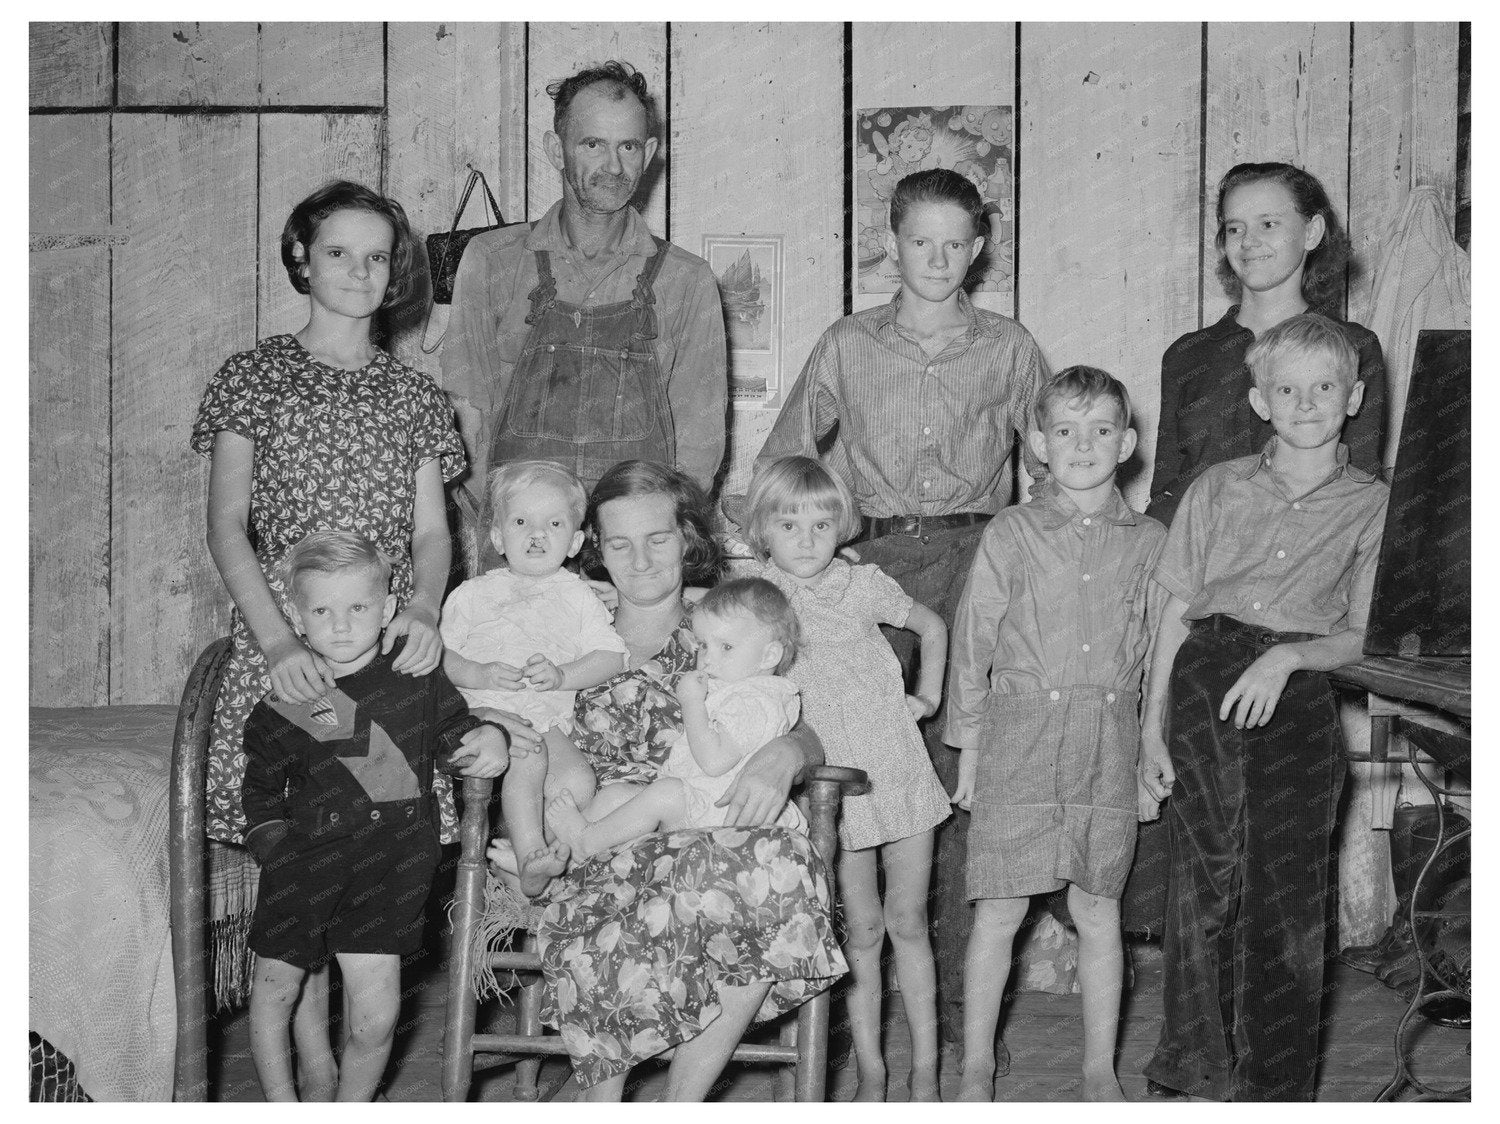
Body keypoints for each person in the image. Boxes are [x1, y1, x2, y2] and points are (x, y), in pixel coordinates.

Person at [748, 167, 1045, 1045]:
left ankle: (951, 1002)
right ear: (893, 244)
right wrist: (798, 560)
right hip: (869, 564)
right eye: (923, 241)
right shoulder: (847, 343)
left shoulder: (1010, 346)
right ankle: (841, 1000)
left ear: (980, 248)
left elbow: (1050, 464)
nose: (940, 258)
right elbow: (783, 459)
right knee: (853, 767)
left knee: (956, 765)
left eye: (958, 242)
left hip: (975, 558)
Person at [481, 460, 845, 1101]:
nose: (641, 559)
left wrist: (787, 750)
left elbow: (798, 712)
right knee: (761, 872)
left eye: (658, 538)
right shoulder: (563, 623)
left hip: (702, 839)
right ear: (593, 546)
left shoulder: (729, 620)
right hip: (591, 842)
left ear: (688, 538)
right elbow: (491, 706)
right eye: (619, 543)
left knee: (774, 863)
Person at [192, 180, 466, 1009]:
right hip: (294, 655)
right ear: (301, 260)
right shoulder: (255, 376)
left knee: (382, 828)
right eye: (338, 252)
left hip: (379, 648)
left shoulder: (416, 395)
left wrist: (422, 608)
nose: (359, 270)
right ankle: (301, 1060)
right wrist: (277, 644)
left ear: (397, 273)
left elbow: (430, 534)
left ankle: (347, 1063)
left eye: (377, 256)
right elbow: (226, 527)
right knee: (306, 850)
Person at [1137, 314, 1389, 1101]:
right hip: (1207, 677)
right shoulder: (1217, 487)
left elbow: (1365, 632)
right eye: (1287, 389)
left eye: (1323, 388)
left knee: (1288, 892)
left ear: (1352, 398)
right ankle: (1194, 1071)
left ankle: (1274, 1090)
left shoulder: (1374, 504)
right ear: (1259, 399)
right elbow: (1174, 611)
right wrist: (1150, 730)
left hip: (1301, 683)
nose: (1306, 402)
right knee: (1204, 880)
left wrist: (1288, 656)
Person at [946, 368, 1166, 1102]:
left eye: (1102, 429)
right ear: (1039, 442)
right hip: (1018, 736)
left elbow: (1158, 651)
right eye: (1065, 431)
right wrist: (971, 746)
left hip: (1107, 736)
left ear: (1127, 443)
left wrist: (1146, 752)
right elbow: (974, 639)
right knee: (1001, 907)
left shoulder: (1151, 541)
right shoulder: (1010, 531)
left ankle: (1099, 1067)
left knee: (1098, 908)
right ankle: (977, 1062)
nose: (1083, 445)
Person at [241, 532, 507, 1101]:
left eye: (358, 607)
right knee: (272, 996)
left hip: (389, 870)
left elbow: (453, 735)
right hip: (303, 869)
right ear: (296, 616)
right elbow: (260, 791)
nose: (340, 625)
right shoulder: (290, 695)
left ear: (387, 608)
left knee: (376, 1019)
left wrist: (491, 737)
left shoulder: (416, 675)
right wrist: (279, 852)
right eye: (322, 611)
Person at [742, 455, 952, 1102]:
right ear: (763, 531)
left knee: (908, 920)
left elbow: (932, 625)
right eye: (789, 524)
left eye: (821, 524)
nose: (806, 539)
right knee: (860, 929)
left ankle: (924, 1072)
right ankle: (871, 1071)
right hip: (833, 784)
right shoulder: (761, 595)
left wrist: (928, 696)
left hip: (898, 769)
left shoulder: (864, 584)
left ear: (842, 527)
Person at [442, 60, 727, 505]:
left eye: (628, 146)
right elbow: (466, 417)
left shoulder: (686, 281)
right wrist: (508, 530)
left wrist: (650, 542)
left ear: (649, 153)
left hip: (631, 547)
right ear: (557, 151)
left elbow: (699, 441)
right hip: (519, 539)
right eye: (593, 144)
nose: (613, 166)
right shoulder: (492, 261)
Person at [1147, 161, 1387, 527]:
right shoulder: (1186, 355)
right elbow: (1165, 491)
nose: (1247, 241)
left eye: (1268, 224)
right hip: (1190, 561)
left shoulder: (1354, 346)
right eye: (1234, 228)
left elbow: (1359, 489)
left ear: (1312, 232)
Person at [440, 460, 628, 895]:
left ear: (575, 540)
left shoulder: (579, 596)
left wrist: (564, 674)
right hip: (482, 718)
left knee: (578, 781)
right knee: (531, 757)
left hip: (546, 716)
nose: (537, 534)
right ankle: (529, 861)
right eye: (521, 521)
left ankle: (532, 855)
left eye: (554, 523)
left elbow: (611, 656)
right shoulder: (474, 594)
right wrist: (478, 671)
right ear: (498, 537)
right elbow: (441, 657)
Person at [546, 577, 808, 858]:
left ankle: (584, 842)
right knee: (616, 796)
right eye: (704, 645)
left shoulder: (755, 700)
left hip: (728, 825)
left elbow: (715, 761)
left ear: (769, 655)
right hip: (698, 808)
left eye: (726, 647)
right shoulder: (735, 689)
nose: (707, 659)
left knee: (666, 793)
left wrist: (692, 702)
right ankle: (558, 857)